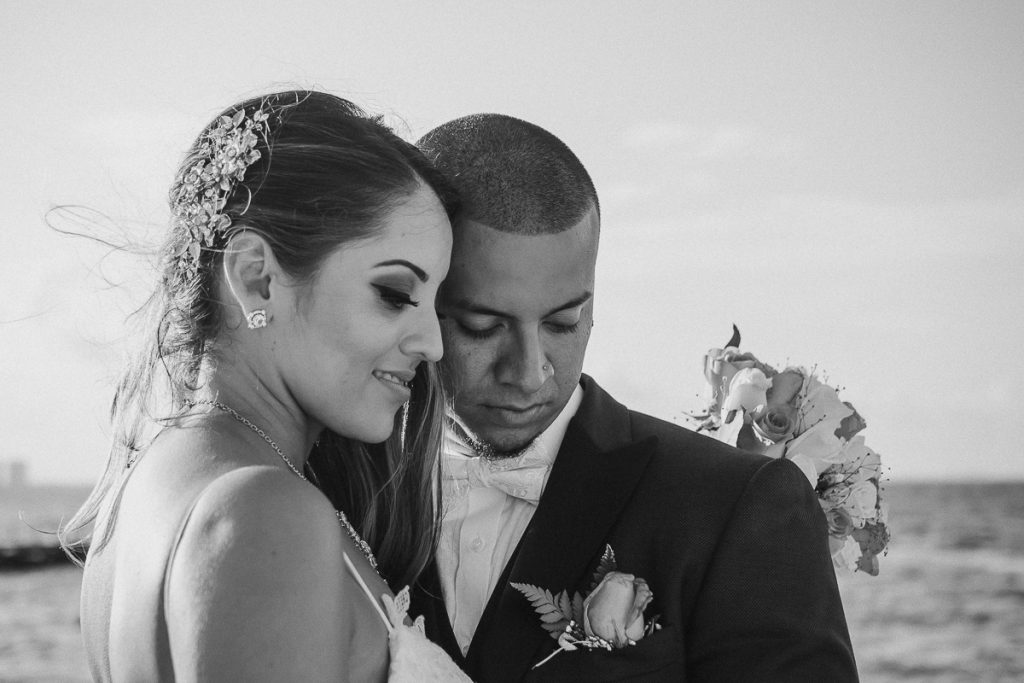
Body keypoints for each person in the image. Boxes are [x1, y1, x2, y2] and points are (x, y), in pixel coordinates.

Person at [410, 114, 860, 682]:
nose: (529, 373)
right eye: (482, 325)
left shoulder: (734, 505)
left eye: (563, 322)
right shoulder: (325, 485)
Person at [62, 90, 469, 681]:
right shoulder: (267, 514)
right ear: (256, 279)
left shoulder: (133, 505)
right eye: (395, 295)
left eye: (436, 306)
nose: (432, 345)